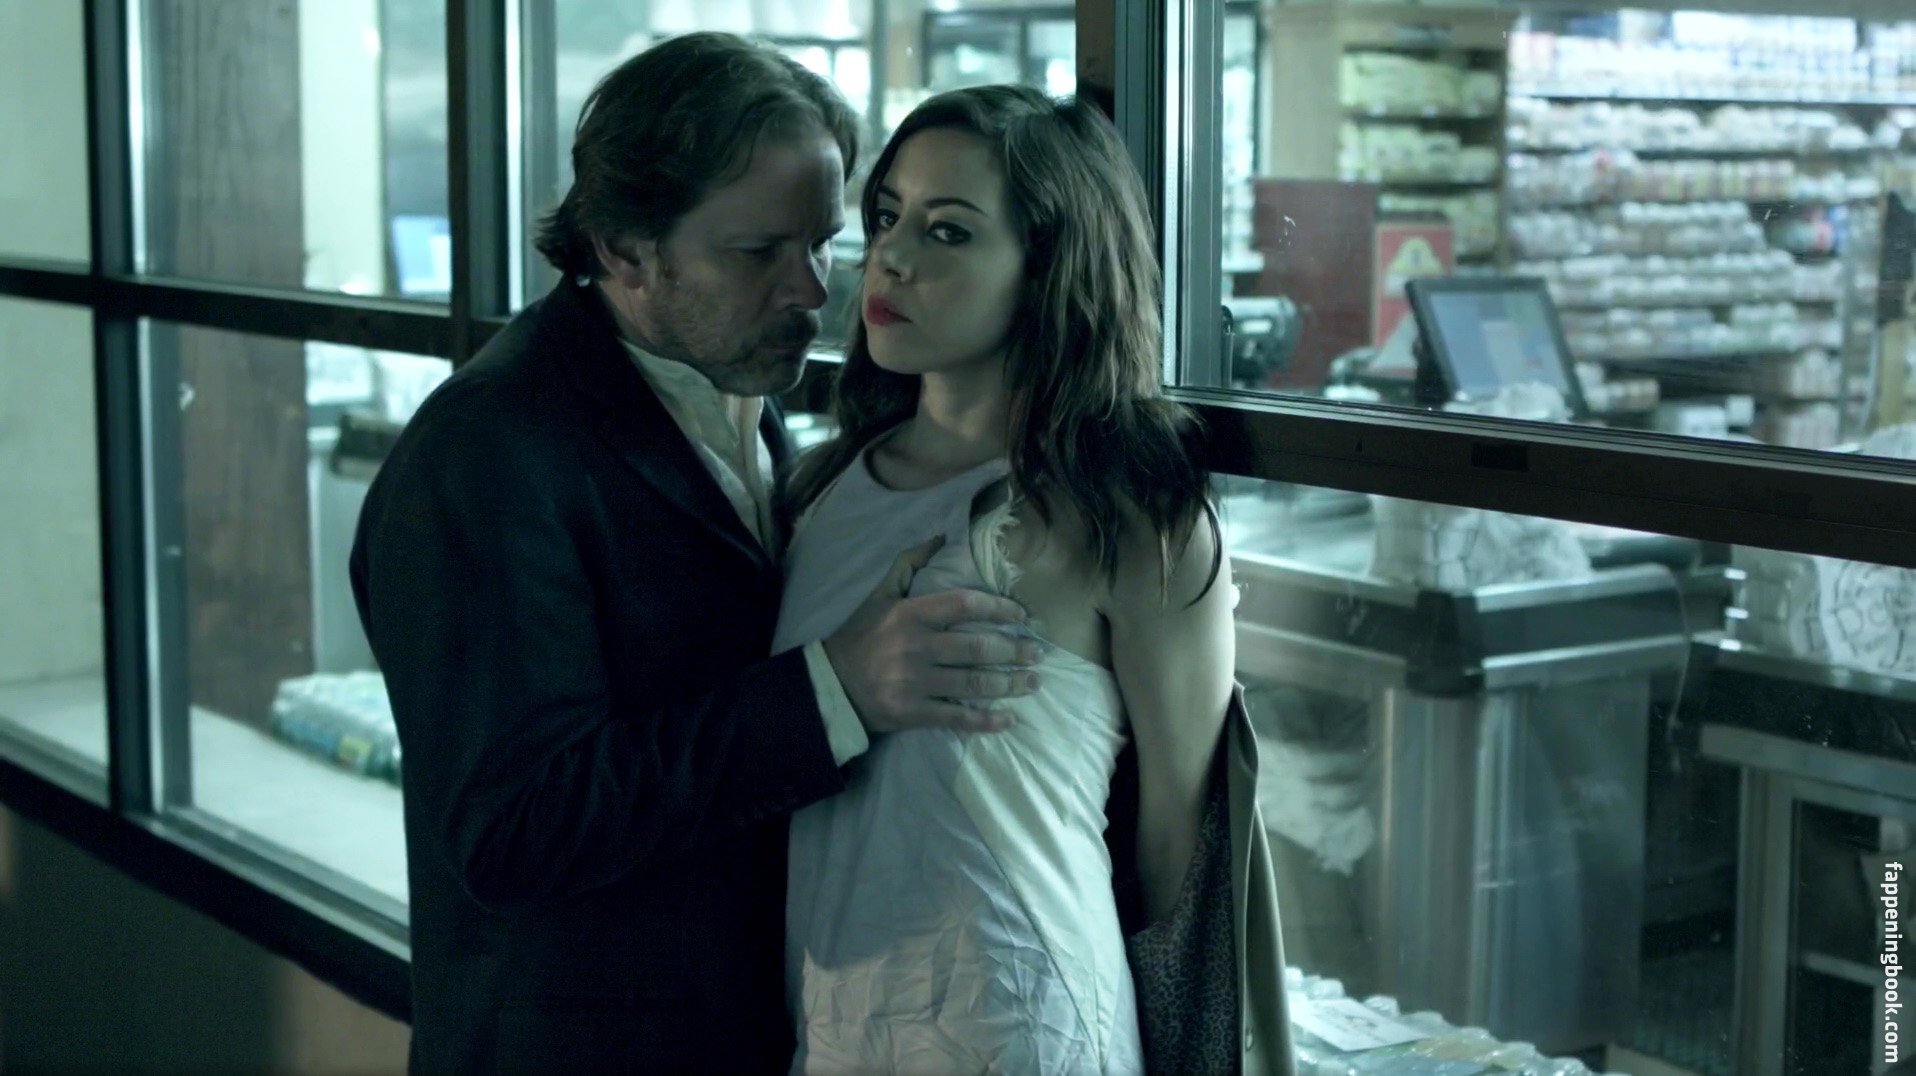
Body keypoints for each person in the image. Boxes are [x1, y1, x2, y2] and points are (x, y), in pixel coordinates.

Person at [348, 34, 1041, 1075]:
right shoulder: (485, 453)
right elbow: (513, 828)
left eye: (822, 242)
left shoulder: (730, 379)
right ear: (624, 249)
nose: (811, 290)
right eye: (758, 252)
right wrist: (833, 690)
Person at [774, 85, 1279, 1075]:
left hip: (1023, 1023)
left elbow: (1179, 855)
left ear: (1047, 266)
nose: (891, 257)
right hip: (832, 1015)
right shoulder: (817, 488)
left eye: (948, 231)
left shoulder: (1131, 516)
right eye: (887, 216)